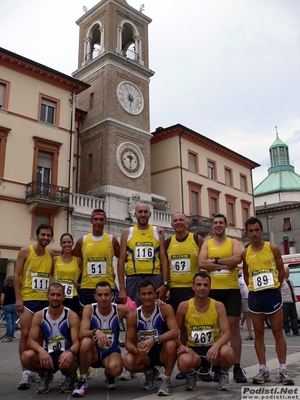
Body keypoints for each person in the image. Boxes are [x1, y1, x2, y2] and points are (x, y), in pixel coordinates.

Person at [242, 217, 294, 385]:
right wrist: (252, 289)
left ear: (261, 230)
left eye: (257, 230)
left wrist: (276, 288)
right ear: (247, 232)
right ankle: (263, 370)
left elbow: (281, 270)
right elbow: (245, 274)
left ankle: (283, 370)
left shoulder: (272, 248)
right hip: (255, 296)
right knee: (258, 333)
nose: (254, 233)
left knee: (278, 332)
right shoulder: (245, 252)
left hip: (272, 294)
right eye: (251, 231)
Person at [198, 213, 247, 383]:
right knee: (214, 329)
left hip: (231, 290)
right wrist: (226, 262)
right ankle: (213, 365)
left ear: (226, 225)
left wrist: (216, 261)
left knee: (234, 329)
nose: (218, 225)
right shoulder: (206, 243)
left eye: (221, 222)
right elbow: (202, 263)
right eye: (215, 223)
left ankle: (238, 367)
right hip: (212, 291)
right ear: (212, 226)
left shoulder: (233, 242)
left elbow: (237, 259)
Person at [176, 272, 235, 392]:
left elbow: (227, 333)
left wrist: (216, 346)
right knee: (183, 362)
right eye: (198, 284)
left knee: (228, 352)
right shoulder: (184, 306)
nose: (202, 288)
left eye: (205, 285)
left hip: (213, 350)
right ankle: (191, 376)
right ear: (193, 287)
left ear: (210, 288)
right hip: (193, 349)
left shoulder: (218, 306)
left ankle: (222, 374)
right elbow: (173, 331)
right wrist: (180, 346)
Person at [14, 223, 54, 390]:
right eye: (43, 234)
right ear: (37, 235)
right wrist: (18, 297)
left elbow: (55, 274)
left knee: (39, 338)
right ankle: (25, 372)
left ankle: (37, 369)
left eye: (48, 235)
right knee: (25, 334)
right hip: (28, 299)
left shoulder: (51, 254)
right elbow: (16, 274)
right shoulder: (25, 251)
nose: (45, 238)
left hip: (44, 301)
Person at [72, 281, 129, 397]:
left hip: (110, 352)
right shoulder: (89, 309)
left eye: (106, 295)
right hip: (94, 353)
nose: (103, 298)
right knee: (86, 341)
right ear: (95, 296)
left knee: (116, 369)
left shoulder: (120, 309)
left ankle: (109, 375)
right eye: (100, 295)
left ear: (112, 296)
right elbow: (82, 333)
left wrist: (158, 305)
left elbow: (138, 316)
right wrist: (96, 332)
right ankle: (83, 379)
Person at [21, 283, 80, 394]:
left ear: (64, 297)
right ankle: (45, 374)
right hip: (49, 354)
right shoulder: (39, 315)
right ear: (47, 296)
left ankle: (70, 375)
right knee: (26, 357)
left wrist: (70, 353)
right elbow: (30, 340)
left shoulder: (71, 315)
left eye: (58, 295)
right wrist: (41, 350)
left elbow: (77, 342)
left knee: (76, 355)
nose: (55, 298)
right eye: (52, 294)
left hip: (66, 355)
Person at [166, 212, 204, 380]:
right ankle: (184, 364)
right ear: (172, 224)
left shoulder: (197, 239)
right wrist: (165, 285)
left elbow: (204, 263)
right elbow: (165, 267)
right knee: (179, 328)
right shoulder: (168, 242)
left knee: (195, 325)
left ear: (187, 223)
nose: (178, 223)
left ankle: (200, 362)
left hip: (192, 290)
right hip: (174, 290)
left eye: (181, 220)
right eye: (175, 221)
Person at [123, 279, 178, 396]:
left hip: (162, 350)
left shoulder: (165, 309)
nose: (147, 297)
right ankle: (150, 373)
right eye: (143, 294)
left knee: (171, 344)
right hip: (145, 353)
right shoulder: (133, 315)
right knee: (128, 361)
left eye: (150, 293)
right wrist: (136, 350)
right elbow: (127, 342)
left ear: (155, 294)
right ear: (139, 295)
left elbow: (174, 332)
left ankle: (166, 380)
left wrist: (154, 339)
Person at [117, 203, 169, 306]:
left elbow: (164, 260)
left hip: (154, 278)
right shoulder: (127, 233)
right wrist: (122, 288)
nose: (143, 214)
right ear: (135, 214)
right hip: (133, 278)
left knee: (156, 310)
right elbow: (121, 261)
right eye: (140, 212)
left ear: (150, 214)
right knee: (133, 311)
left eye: (145, 212)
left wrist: (165, 284)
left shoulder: (158, 232)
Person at [72, 209, 120, 307]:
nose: (98, 222)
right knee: (86, 317)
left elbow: (123, 258)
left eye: (101, 219)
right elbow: (72, 259)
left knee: (107, 317)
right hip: (87, 286)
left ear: (105, 221)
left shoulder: (112, 240)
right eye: (95, 219)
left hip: (107, 286)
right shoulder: (83, 240)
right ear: (91, 221)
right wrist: (75, 279)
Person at [52, 233, 82, 315]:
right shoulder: (55, 259)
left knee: (72, 322)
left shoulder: (78, 261)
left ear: (72, 243)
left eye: (69, 242)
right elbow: (51, 274)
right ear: (61, 244)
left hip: (73, 297)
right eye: (64, 243)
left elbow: (86, 276)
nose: (67, 245)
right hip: (57, 296)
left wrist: (79, 285)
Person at [281, 266, 300, 337]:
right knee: (285, 318)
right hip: (285, 301)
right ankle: (287, 331)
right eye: (288, 271)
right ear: (285, 272)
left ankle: (295, 330)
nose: (289, 273)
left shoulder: (290, 281)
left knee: (294, 316)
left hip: (292, 301)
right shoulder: (281, 282)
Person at [0, 275, 18, 342]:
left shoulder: (5, 289)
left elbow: (2, 299)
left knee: (9, 322)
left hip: (7, 306)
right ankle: (12, 335)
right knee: (13, 322)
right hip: (14, 306)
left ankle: (9, 337)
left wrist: (1, 305)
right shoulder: (15, 289)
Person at [238, 270, 254, 340]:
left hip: (252, 296)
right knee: (248, 315)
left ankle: (256, 332)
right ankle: (250, 334)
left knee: (254, 314)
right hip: (245, 298)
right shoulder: (239, 278)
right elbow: (239, 288)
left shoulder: (249, 275)